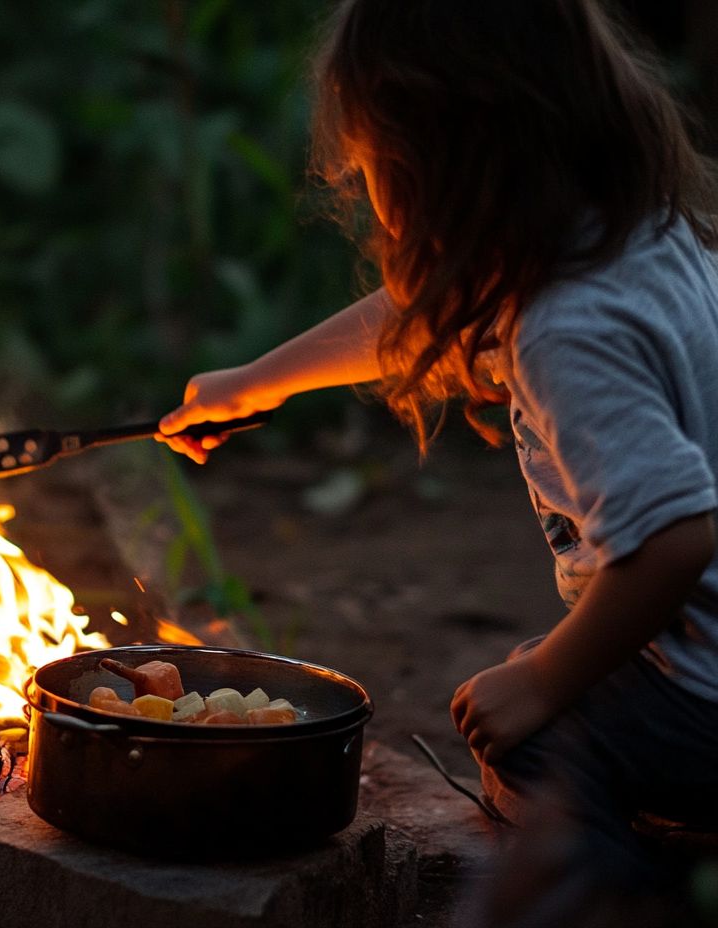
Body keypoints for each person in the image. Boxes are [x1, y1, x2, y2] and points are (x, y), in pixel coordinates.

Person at [158, 0, 718, 923]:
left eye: (373, 166)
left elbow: (673, 544)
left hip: (705, 690)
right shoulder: (623, 230)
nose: (369, 191)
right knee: (537, 680)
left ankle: (612, 898)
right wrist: (264, 380)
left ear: (439, 163)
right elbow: (416, 318)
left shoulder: (566, 325)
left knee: (527, 736)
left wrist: (545, 683)